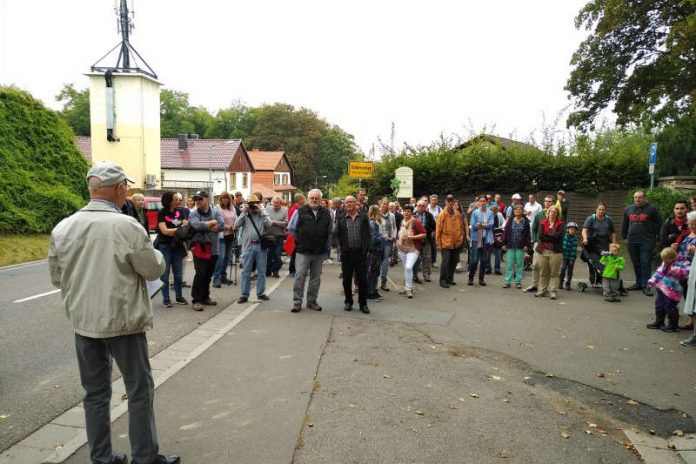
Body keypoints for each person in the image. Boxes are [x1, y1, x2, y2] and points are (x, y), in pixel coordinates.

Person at [48, 160, 179, 464]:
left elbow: (57, 277)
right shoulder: (126, 226)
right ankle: (145, 457)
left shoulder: (64, 226)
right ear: (119, 188)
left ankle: (102, 458)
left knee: (94, 393)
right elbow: (151, 269)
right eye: (126, 187)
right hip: (122, 321)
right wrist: (156, 252)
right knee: (139, 390)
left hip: (83, 321)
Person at [288, 189, 331, 312]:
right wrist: (300, 240)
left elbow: (329, 230)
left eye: (317, 197)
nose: (314, 199)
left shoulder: (326, 213)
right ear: (308, 199)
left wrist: (326, 247)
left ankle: (312, 301)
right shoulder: (300, 212)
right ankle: (297, 302)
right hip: (303, 251)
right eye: (312, 197)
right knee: (299, 276)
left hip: (319, 252)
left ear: (321, 199)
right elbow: (291, 228)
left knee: (315, 278)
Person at [334, 195, 371, 312]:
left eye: (351, 202)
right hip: (347, 253)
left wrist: (367, 248)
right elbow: (335, 234)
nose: (348, 204)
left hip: (360, 253)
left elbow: (368, 234)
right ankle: (348, 301)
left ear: (356, 204)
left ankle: (363, 304)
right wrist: (339, 246)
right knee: (346, 279)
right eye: (346, 202)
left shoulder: (363, 217)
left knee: (362, 279)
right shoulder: (341, 218)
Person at [189, 190, 224, 311]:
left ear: (207, 199)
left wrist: (206, 225)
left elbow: (222, 226)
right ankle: (196, 300)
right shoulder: (193, 214)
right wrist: (212, 222)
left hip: (214, 248)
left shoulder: (216, 211)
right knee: (200, 274)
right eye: (196, 199)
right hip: (199, 248)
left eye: (200, 199)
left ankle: (205, 296)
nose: (197, 201)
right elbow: (196, 226)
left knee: (209, 274)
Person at [234, 194, 272, 303]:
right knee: (246, 271)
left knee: (261, 270)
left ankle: (261, 293)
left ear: (259, 203)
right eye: (251, 204)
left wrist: (261, 212)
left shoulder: (262, 213)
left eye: (255, 204)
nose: (253, 207)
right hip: (248, 245)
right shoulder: (245, 214)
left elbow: (269, 224)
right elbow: (235, 225)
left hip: (260, 246)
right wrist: (243, 212)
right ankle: (244, 295)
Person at [622, 191, 662, 295]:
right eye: (635, 197)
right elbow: (625, 224)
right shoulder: (628, 209)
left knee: (645, 262)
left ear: (644, 198)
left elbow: (659, 223)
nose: (637, 200)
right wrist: (624, 236)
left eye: (640, 197)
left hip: (647, 241)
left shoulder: (652, 209)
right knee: (636, 263)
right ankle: (638, 283)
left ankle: (646, 285)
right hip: (632, 240)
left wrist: (658, 237)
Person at [156, 191, 189, 308]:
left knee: (178, 273)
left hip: (178, 245)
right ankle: (166, 299)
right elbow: (164, 231)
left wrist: (177, 230)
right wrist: (179, 229)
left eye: (180, 199)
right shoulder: (161, 213)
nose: (179, 201)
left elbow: (186, 228)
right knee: (164, 274)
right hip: (164, 245)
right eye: (176, 199)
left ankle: (179, 297)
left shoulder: (180, 212)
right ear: (169, 201)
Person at [646, 247, 689, 331]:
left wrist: (674, 270)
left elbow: (687, 272)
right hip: (662, 287)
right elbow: (659, 272)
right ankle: (659, 322)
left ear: (671, 258)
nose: (664, 261)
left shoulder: (683, 262)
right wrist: (652, 281)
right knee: (659, 305)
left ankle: (672, 325)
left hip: (673, 290)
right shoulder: (665, 263)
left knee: (670, 307)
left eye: (665, 259)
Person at [581, 202, 617, 288]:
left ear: (605, 210)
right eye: (599, 209)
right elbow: (584, 230)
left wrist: (614, 244)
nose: (601, 211)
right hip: (593, 245)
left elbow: (613, 232)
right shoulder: (591, 219)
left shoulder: (608, 220)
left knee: (605, 262)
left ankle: (604, 279)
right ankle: (594, 279)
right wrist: (585, 238)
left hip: (604, 244)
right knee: (593, 262)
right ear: (596, 210)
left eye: (603, 209)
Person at [524, 195, 555, 293]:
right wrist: (534, 241)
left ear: (553, 203)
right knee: (536, 264)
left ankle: (544, 287)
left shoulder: (557, 215)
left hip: (551, 244)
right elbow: (534, 229)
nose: (547, 203)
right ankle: (534, 285)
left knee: (547, 266)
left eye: (549, 201)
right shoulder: (539, 214)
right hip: (539, 243)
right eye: (546, 201)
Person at [395, 204, 426, 298]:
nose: (406, 213)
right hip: (402, 248)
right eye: (404, 211)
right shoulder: (402, 222)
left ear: (411, 212)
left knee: (408, 267)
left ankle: (408, 289)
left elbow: (424, 233)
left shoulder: (415, 221)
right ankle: (407, 288)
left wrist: (411, 237)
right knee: (406, 269)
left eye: (408, 211)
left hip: (413, 248)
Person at [536, 205, 565, 300]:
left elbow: (558, 236)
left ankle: (553, 291)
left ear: (557, 214)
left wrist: (547, 236)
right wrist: (552, 236)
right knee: (543, 272)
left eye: (555, 212)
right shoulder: (542, 223)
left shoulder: (561, 224)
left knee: (554, 273)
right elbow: (541, 236)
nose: (552, 213)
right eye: (551, 211)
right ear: (548, 213)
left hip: (556, 252)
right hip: (543, 251)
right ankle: (542, 290)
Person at [436, 194, 464, 287]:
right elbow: (438, 230)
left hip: (456, 242)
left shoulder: (457, 214)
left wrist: (461, 238)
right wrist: (438, 243)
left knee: (454, 261)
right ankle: (443, 280)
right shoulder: (442, 214)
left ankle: (450, 278)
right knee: (446, 261)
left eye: (452, 201)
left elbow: (460, 227)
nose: (450, 203)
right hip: (446, 242)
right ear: (446, 202)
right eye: (449, 201)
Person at [501, 204, 531, 288]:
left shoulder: (525, 222)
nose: (518, 211)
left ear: (522, 211)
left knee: (519, 264)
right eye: (516, 209)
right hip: (510, 245)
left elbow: (528, 235)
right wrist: (503, 243)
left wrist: (527, 245)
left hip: (521, 246)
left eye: (520, 209)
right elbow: (505, 233)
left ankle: (518, 281)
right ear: (514, 211)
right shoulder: (510, 220)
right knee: (509, 264)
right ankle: (507, 282)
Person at [212, 191, 237, 288]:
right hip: (221, 235)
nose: (225, 200)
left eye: (227, 198)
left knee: (227, 257)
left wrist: (235, 226)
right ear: (220, 199)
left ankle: (223, 276)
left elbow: (236, 219)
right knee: (220, 258)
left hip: (231, 235)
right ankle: (216, 278)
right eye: (223, 198)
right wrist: (228, 227)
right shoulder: (217, 209)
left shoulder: (233, 208)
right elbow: (216, 223)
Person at [468, 195, 494, 286]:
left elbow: (491, 224)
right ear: (478, 202)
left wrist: (481, 225)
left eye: (484, 201)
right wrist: (484, 225)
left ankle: (481, 279)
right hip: (476, 238)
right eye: (481, 201)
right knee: (474, 260)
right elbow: (473, 225)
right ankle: (471, 278)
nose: (482, 202)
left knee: (484, 260)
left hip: (485, 238)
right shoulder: (475, 212)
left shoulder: (490, 212)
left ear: (487, 202)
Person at [366, 205, 386, 301]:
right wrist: (382, 237)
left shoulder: (373, 223)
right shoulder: (372, 223)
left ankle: (373, 291)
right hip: (374, 251)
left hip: (375, 251)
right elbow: (373, 239)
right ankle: (370, 293)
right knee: (372, 273)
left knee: (374, 272)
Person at [413, 199, 436, 282]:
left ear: (426, 207)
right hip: (416, 240)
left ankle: (426, 275)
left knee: (426, 258)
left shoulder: (429, 215)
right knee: (415, 258)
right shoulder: (413, 215)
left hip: (426, 239)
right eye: (419, 206)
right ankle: (414, 275)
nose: (421, 207)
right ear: (416, 206)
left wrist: (432, 232)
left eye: (423, 206)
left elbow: (434, 226)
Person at [377, 198, 397, 291]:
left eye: (387, 204)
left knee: (385, 261)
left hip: (388, 241)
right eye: (384, 203)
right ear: (380, 204)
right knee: (376, 261)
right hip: (378, 241)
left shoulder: (392, 215)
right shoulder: (376, 214)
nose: (385, 205)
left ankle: (383, 282)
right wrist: (382, 236)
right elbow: (375, 228)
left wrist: (393, 237)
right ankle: (374, 282)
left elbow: (394, 227)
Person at [265, 196, 288, 278]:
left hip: (279, 236)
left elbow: (285, 223)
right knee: (269, 254)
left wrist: (274, 222)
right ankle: (267, 271)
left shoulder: (285, 210)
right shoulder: (267, 209)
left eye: (277, 203)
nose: (275, 204)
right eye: (274, 202)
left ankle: (275, 271)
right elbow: (265, 221)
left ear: (280, 203)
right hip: (268, 235)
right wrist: (277, 223)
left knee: (277, 255)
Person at [286, 193, 306, 277]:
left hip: (295, 234)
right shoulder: (295, 209)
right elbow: (291, 224)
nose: (304, 201)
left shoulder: (296, 208)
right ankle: (292, 270)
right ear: (299, 200)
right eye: (303, 199)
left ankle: (296, 270)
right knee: (295, 253)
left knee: (297, 253)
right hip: (295, 234)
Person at [559, 221, 579, 291]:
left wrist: (572, 259)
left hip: (571, 258)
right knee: (562, 269)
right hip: (564, 257)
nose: (572, 231)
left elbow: (574, 250)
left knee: (570, 271)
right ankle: (560, 282)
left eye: (574, 230)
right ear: (567, 230)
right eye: (571, 229)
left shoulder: (575, 239)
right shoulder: (564, 237)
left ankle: (568, 283)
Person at [487, 204, 505, 275]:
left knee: (498, 253)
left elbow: (504, 222)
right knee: (488, 253)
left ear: (497, 211)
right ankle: (488, 268)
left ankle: (497, 269)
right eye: (492, 211)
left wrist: (501, 227)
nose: (493, 213)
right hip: (489, 236)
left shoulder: (499, 215)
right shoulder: (487, 216)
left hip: (498, 236)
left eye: (494, 211)